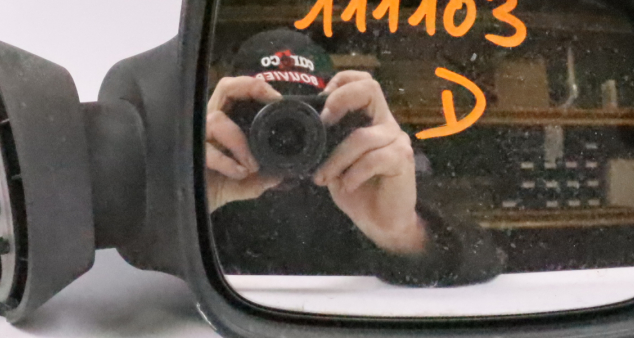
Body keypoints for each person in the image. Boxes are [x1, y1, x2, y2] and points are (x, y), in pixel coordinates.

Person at [206, 29, 504, 286]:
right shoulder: (215, 172)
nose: (288, 138)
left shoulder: (363, 171)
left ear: (339, 115)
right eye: (264, 119)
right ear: (227, 118)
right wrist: (194, 192)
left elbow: (487, 257)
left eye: (307, 117)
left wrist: (404, 234)